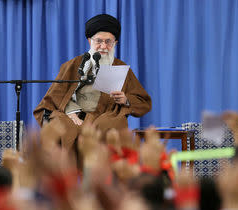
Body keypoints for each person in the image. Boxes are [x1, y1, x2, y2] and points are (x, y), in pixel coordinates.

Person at [33, 14, 152, 150]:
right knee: (62, 126)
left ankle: (101, 170)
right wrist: (70, 113)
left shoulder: (120, 67)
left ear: (115, 43)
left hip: (104, 116)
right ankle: (66, 170)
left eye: (108, 42)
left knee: (110, 125)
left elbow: (143, 102)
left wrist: (126, 99)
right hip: (71, 115)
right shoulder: (72, 65)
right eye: (99, 41)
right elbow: (52, 100)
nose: (103, 46)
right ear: (90, 41)